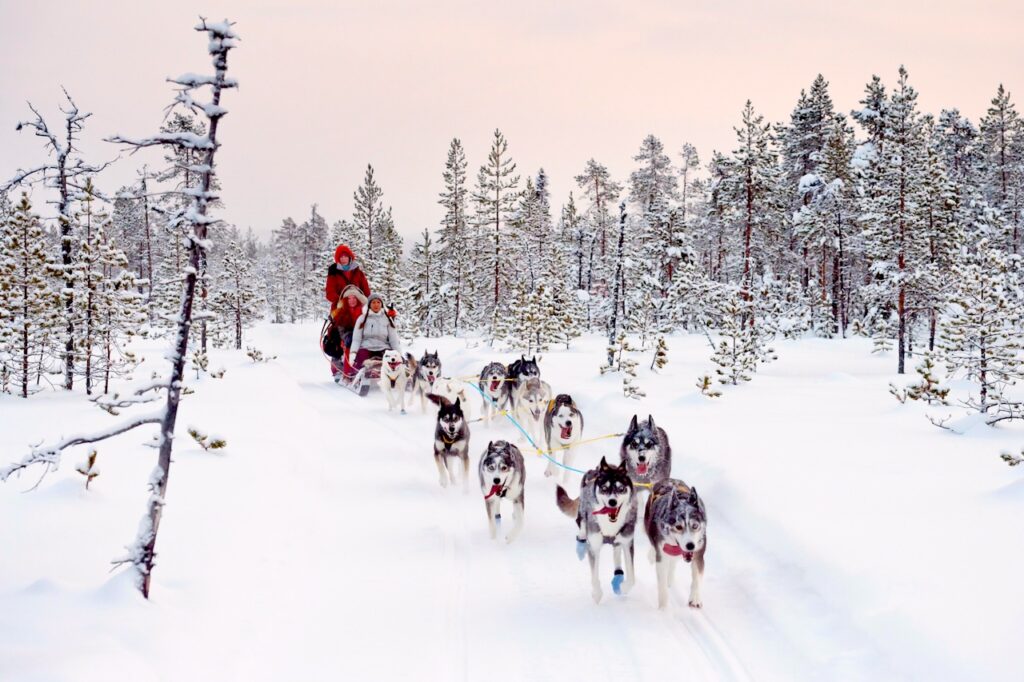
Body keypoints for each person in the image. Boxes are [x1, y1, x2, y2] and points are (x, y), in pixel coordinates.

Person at [347, 293, 401, 378]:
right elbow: (356, 339)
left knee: (392, 362)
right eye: (373, 302)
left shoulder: (387, 319)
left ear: (381, 304)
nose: (376, 305)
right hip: (366, 347)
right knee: (361, 361)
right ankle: (361, 376)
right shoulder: (362, 319)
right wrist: (353, 353)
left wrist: (399, 354)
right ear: (369, 304)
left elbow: (393, 340)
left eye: (378, 302)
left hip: (383, 348)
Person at [328, 284, 367, 380]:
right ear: (345, 300)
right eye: (349, 298)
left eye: (354, 298)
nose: (352, 300)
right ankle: (348, 373)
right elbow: (341, 329)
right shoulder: (341, 312)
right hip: (347, 335)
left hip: (363, 334)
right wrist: (347, 337)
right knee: (350, 345)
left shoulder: (365, 311)